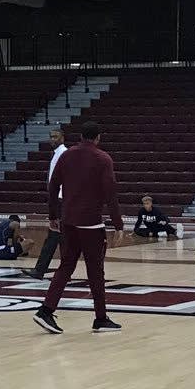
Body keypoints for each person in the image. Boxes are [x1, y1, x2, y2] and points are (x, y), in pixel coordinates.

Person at [33, 120, 125, 335]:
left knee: (65, 266)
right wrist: (118, 224)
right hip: (91, 223)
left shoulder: (66, 155)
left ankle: (46, 310)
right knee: (96, 271)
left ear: (81, 136)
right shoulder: (103, 158)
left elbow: (53, 186)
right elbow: (110, 194)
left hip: (68, 221)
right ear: (98, 137)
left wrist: (53, 215)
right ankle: (100, 318)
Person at [26, 127, 69, 278]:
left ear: (62, 138)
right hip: (58, 199)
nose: (52, 139)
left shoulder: (63, 153)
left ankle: (44, 270)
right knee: (56, 237)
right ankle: (43, 270)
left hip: (60, 199)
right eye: (51, 136)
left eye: (56, 137)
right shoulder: (57, 153)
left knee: (58, 237)